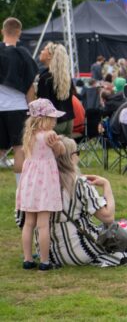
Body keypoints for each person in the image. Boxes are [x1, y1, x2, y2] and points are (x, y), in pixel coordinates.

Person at [16, 136, 127, 268]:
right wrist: (107, 186)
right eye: (77, 152)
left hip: (49, 255)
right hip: (78, 251)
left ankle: (121, 257)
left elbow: (22, 222)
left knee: (107, 239)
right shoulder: (79, 184)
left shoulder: (31, 183)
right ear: (70, 157)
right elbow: (108, 217)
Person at [17, 99, 66, 270]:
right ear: (44, 119)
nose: (55, 121)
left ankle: (28, 259)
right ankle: (45, 262)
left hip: (30, 181)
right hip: (44, 182)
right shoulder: (49, 135)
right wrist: (58, 143)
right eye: (52, 118)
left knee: (28, 223)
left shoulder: (29, 136)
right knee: (43, 224)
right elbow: (61, 151)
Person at [0, 17, 39, 184]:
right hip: (18, 108)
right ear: (19, 33)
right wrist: (33, 111)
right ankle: (21, 190)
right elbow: (30, 87)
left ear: (3, 31)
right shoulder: (23, 56)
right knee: (19, 149)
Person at [36, 43, 75, 136]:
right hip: (68, 120)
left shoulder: (45, 78)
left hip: (54, 121)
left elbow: (43, 105)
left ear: (50, 56)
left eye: (44, 49)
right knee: (67, 149)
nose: (41, 51)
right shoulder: (65, 76)